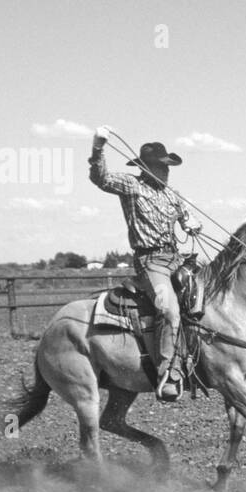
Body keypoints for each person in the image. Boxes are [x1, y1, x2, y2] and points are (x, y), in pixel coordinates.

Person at [89, 127, 201, 400]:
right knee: (169, 310)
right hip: (150, 262)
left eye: (167, 167)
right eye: (162, 167)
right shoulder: (132, 186)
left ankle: (202, 361)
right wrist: (98, 148)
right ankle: (169, 373)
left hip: (176, 258)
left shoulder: (172, 194)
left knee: (203, 300)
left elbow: (185, 216)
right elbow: (100, 178)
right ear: (148, 168)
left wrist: (191, 223)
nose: (167, 172)